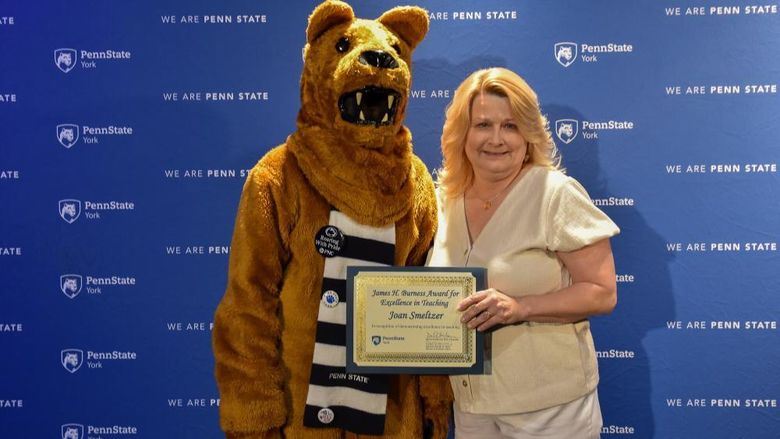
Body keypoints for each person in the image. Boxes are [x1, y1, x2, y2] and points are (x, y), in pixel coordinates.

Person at [427, 67, 620, 438]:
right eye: (483, 125)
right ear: (461, 133)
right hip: (472, 406)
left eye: (511, 126)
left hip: (550, 411)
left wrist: (521, 307)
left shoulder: (555, 193)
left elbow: (603, 292)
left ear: (529, 134)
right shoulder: (443, 200)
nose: (496, 139)